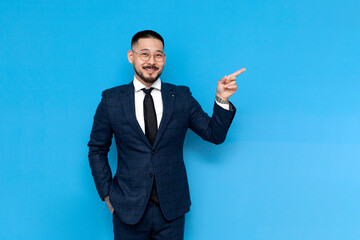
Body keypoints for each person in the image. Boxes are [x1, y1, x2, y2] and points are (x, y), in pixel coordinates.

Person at [88, 30, 245, 240]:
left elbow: (213, 134)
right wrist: (108, 194)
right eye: (144, 54)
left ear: (164, 59)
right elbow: (97, 149)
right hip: (127, 208)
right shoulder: (111, 100)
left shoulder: (181, 97)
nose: (151, 61)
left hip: (171, 209)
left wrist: (222, 99)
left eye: (158, 55)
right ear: (131, 56)